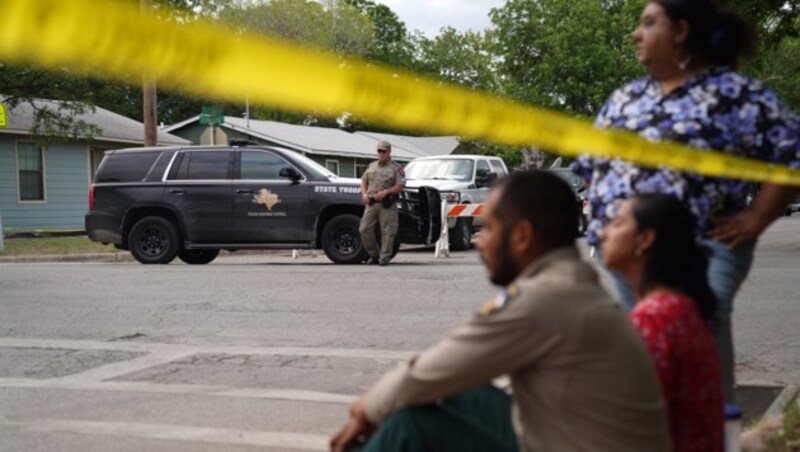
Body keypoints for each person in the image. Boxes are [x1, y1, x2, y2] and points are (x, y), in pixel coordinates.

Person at [331, 171, 671, 452]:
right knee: (457, 391)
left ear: (522, 236)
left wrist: (366, 409)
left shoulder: (546, 298)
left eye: (489, 228)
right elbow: (443, 370)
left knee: (410, 421)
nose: (480, 241)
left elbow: (430, 372)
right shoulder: (569, 282)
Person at [571, 0, 800, 402]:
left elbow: (791, 156)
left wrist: (757, 218)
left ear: (680, 31)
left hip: (706, 245)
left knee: (698, 328)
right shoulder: (626, 97)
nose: (635, 34)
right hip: (632, 251)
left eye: (648, 23)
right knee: (647, 342)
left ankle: (713, 428)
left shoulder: (735, 95)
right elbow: (590, 166)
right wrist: (608, 218)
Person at [599, 194, 723, 452]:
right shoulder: (680, 308)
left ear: (645, 239)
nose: (602, 233)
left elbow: (630, 424)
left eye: (617, 223)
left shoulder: (653, 319)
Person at [359, 140, 406, 266]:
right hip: (371, 203)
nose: (381, 153)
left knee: (387, 231)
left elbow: (400, 185)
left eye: (383, 151)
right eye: (379, 151)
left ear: (389, 152)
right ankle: (374, 254)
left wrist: (386, 192)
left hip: (387, 204)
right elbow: (364, 180)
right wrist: (364, 194)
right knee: (364, 229)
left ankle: (384, 257)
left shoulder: (396, 168)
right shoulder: (372, 166)